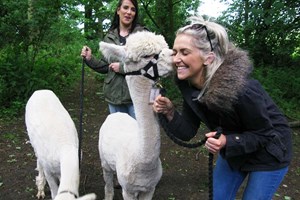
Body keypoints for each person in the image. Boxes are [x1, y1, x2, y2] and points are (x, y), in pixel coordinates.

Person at [153, 16, 292, 200]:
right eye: (175, 51)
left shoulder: (243, 90)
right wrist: (169, 112)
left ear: (208, 58)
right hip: (235, 149)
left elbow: (264, 134)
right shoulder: (189, 86)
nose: (176, 59)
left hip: (269, 152)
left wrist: (228, 141)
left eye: (185, 52)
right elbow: (187, 131)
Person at [81, 0, 148, 119]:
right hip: (113, 96)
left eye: (133, 9)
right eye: (125, 8)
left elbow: (148, 65)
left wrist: (122, 68)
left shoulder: (143, 35)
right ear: (118, 10)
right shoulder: (109, 36)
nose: (129, 12)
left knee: (137, 135)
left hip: (136, 97)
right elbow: (105, 66)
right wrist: (90, 58)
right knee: (119, 134)